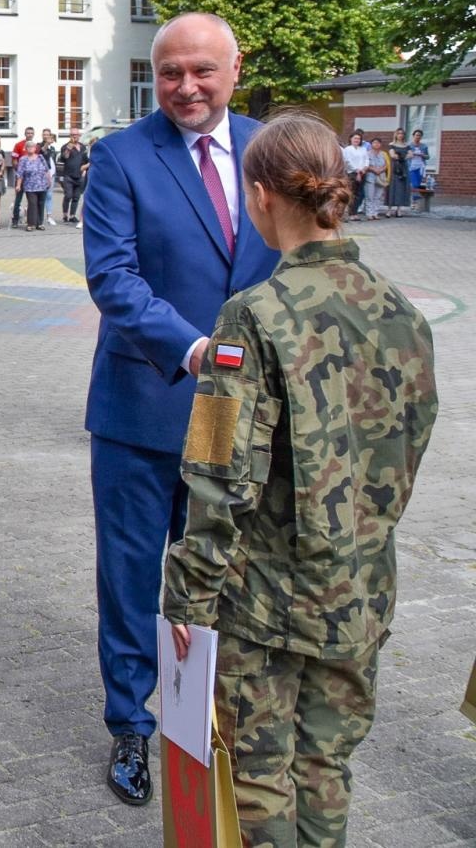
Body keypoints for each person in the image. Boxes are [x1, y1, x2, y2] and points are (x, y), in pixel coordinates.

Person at [162, 112, 438, 847]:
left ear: (259, 196)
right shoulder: (404, 311)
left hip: (266, 602)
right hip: (361, 591)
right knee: (326, 769)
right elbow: (411, 443)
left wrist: (186, 596)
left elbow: (218, 474)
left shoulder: (253, 315)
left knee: (257, 777)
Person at [81, 12, 280, 807]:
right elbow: (114, 279)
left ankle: (209, 720)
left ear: (235, 68)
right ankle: (129, 723)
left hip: (240, 414)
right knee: (131, 576)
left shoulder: (272, 149)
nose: (186, 87)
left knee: (221, 574)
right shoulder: (122, 157)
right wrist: (195, 347)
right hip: (144, 404)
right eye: (170, 73)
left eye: (202, 71)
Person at [15, 137, 52, 231]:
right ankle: (30, 224)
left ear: (35, 148)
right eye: (28, 147)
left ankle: (39, 223)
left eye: (32, 147)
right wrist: (18, 185)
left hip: (42, 185)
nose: (31, 148)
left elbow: (47, 170)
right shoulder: (23, 159)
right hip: (30, 186)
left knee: (41, 203)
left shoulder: (40, 157)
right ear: (26, 149)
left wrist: (49, 181)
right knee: (32, 203)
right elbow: (20, 173)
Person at [58, 131, 88, 224]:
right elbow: (64, 158)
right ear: (70, 136)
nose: (75, 136)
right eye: (73, 135)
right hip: (68, 175)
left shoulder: (83, 147)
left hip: (80, 175)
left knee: (76, 197)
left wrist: (85, 169)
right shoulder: (66, 146)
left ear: (79, 136)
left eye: (77, 135)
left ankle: (72, 216)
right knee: (68, 195)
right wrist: (69, 149)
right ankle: (65, 215)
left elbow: (87, 160)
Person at [340, 130, 370, 221]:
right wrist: (357, 170)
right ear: (351, 139)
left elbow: (367, 160)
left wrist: (364, 169)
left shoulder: (363, 149)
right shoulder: (347, 149)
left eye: (359, 138)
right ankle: (348, 213)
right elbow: (347, 161)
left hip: (363, 173)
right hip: (352, 174)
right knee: (351, 193)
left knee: (359, 194)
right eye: (355, 138)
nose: (357, 140)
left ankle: (354, 212)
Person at [10, 125, 34, 226]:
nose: (30, 135)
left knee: (31, 201)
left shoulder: (35, 146)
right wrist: (19, 171)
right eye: (28, 133)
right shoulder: (18, 145)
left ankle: (30, 219)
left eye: (31, 133)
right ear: (25, 134)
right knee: (18, 200)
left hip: (31, 179)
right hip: (20, 178)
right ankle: (15, 220)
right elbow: (14, 161)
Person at [385, 128, 412, 218]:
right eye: (399, 133)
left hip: (403, 168)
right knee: (393, 187)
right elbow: (392, 155)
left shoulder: (407, 145)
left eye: (402, 134)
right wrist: (404, 156)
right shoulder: (392, 145)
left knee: (402, 188)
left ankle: (399, 210)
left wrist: (401, 156)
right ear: (396, 135)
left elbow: (411, 154)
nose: (400, 135)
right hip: (395, 168)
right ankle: (389, 210)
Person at [363, 137, 388, 220]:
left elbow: (387, 165)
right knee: (369, 196)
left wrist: (381, 170)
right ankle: (369, 214)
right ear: (371, 144)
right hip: (370, 176)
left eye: (378, 143)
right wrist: (373, 169)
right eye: (374, 143)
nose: (376, 144)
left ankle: (375, 213)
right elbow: (365, 164)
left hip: (381, 177)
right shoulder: (367, 153)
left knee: (378, 196)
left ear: (380, 144)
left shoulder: (384, 154)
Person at [407, 128, 428, 206]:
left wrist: (422, 155)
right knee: (414, 184)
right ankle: (414, 199)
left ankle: (414, 202)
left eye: (419, 135)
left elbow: (427, 156)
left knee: (418, 184)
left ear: (421, 137)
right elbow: (406, 156)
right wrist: (411, 154)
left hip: (421, 167)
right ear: (413, 136)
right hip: (411, 166)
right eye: (416, 135)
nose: (418, 137)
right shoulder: (409, 145)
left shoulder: (424, 146)